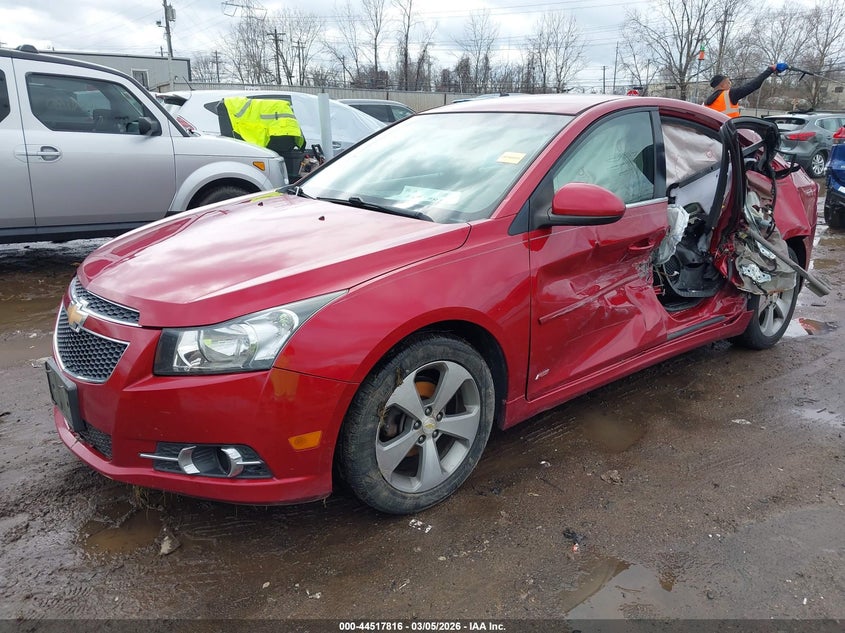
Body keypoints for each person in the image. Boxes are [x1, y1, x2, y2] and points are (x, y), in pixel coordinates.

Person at [704, 62, 789, 117]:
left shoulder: (705, 103)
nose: (730, 85)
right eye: (728, 82)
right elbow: (752, 85)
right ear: (722, 84)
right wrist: (770, 69)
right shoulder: (729, 94)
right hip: (728, 136)